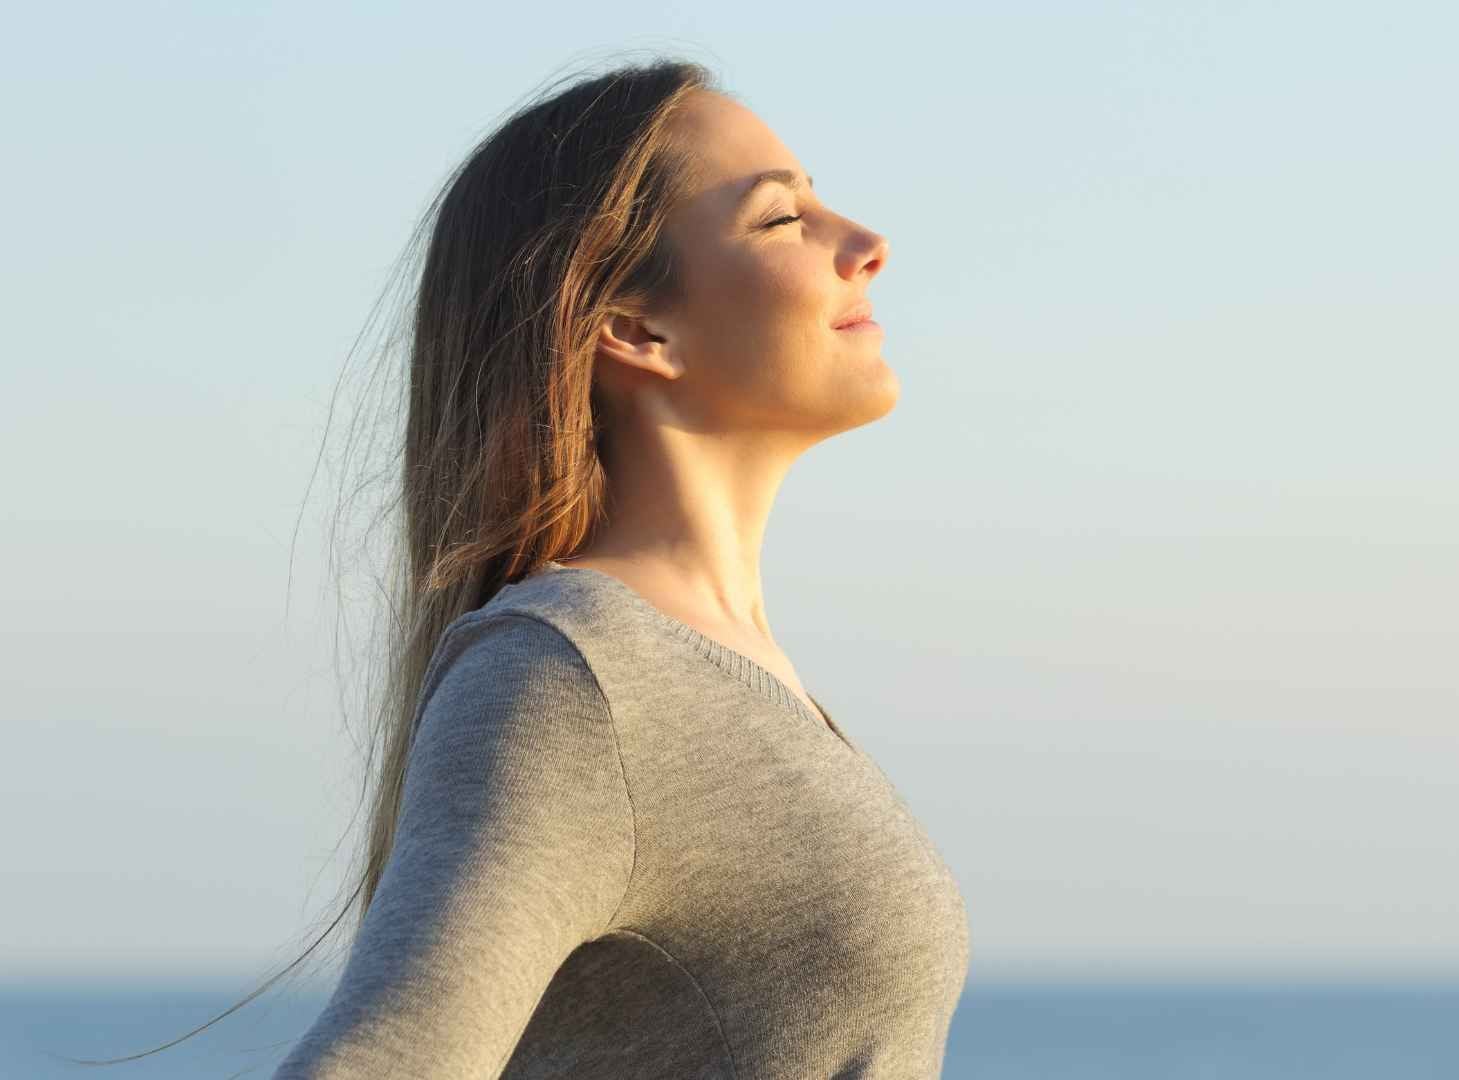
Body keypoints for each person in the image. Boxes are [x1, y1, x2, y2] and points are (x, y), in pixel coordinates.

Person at [253, 57, 971, 1077]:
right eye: (781, 220)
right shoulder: (568, 676)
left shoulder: (717, 671)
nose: (866, 245)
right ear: (633, 326)